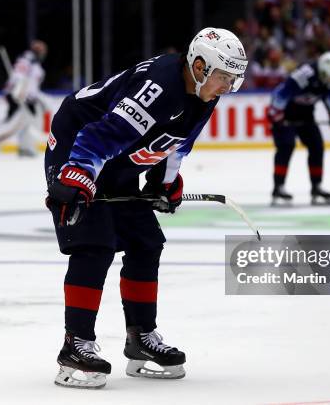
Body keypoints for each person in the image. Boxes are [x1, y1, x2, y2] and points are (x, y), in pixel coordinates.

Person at [44, 28, 247, 389]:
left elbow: (176, 144)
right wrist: (76, 176)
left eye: (233, 80)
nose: (227, 87)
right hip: (78, 144)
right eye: (223, 77)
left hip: (116, 158)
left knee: (145, 241)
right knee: (94, 244)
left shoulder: (204, 94)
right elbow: (97, 137)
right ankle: (75, 344)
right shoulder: (159, 88)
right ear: (199, 66)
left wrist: (163, 185)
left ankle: (141, 339)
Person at [267, 51, 330, 205]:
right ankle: (278, 187)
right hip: (286, 112)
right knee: (286, 146)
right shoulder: (303, 76)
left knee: (317, 146)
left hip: (306, 114)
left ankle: (317, 186)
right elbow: (281, 95)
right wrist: (276, 114)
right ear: (322, 73)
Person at [0, 40, 48, 157]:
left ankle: (25, 147)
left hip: (22, 96)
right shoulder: (31, 62)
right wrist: (18, 93)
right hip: (20, 96)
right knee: (13, 123)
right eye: (42, 51)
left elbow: (21, 79)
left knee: (26, 123)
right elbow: (21, 79)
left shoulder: (28, 60)